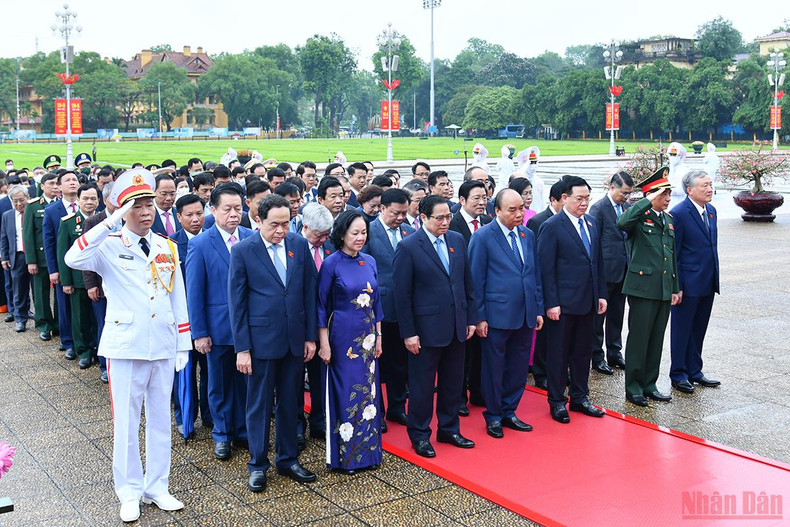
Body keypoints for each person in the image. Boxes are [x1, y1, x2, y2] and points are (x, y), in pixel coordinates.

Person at [64, 168, 191, 523]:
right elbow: (73, 259)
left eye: (149, 203)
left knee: (161, 419)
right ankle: (129, 490)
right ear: (122, 211)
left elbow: (177, 295)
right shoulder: (108, 245)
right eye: (137, 205)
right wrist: (109, 223)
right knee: (127, 422)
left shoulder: (167, 246)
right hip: (125, 345)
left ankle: (158, 486)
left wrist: (183, 343)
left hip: (163, 342)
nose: (147, 211)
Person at [229, 194, 318, 493]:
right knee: (259, 405)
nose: (281, 231)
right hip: (260, 342)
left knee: (291, 403)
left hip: (294, 340)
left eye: (285, 223)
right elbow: (237, 303)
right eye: (274, 225)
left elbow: (307, 293)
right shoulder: (243, 250)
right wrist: (242, 348)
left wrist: (309, 337)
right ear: (258, 221)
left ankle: (288, 458)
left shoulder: (298, 245)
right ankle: (257, 464)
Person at [393, 195, 476, 458]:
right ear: (423, 218)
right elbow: (402, 295)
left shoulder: (456, 240)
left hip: (456, 325)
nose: (444, 222)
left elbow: (466, 283)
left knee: (453, 382)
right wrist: (409, 333)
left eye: (447, 217)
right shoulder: (409, 247)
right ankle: (419, 434)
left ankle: (449, 428)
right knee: (422, 386)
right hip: (425, 330)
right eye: (439, 218)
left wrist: (470, 318)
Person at [186, 183, 253, 461]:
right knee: (220, 383)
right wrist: (199, 332)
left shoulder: (252, 237)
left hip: (250, 328)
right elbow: (194, 291)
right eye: (227, 209)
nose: (234, 214)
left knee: (248, 384)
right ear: (213, 210)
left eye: (239, 208)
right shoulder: (200, 244)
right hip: (218, 328)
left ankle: (245, 430)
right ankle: (223, 433)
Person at [469, 189, 543, 438]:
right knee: (494, 367)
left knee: (518, 366)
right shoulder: (483, 237)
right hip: (496, 314)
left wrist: (538, 308)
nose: (519, 214)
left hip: (525, 314)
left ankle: (510, 410)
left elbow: (534, 274)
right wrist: (479, 317)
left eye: (521, 208)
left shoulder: (527, 234)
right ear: (496, 211)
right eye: (512, 210)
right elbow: (475, 279)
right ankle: (493, 415)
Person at [316, 210, 384, 474]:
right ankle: (347, 456)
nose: (359, 237)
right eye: (354, 233)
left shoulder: (370, 261)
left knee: (369, 393)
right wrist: (324, 343)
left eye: (363, 232)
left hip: (368, 337)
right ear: (341, 234)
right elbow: (321, 306)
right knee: (346, 393)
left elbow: (378, 303)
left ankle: (369, 452)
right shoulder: (331, 263)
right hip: (342, 336)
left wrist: (379, 336)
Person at [537, 175, 607, 424]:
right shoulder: (552, 226)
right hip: (563, 304)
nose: (584, 203)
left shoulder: (591, 223)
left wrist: (601, 294)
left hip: (588, 301)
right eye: (579, 198)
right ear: (565, 198)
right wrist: (551, 302)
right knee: (558, 353)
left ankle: (580, 396)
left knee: (582, 352)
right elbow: (546, 269)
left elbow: (597, 262)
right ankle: (557, 400)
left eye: (588, 198)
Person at [617, 168, 680, 406]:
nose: (668, 199)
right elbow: (622, 222)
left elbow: (671, 256)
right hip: (642, 288)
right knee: (639, 339)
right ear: (652, 196)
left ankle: (649, 384)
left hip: (663, 288)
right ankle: (633, 387)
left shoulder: (668, 220)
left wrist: (675, 286)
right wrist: (646, 201)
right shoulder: (639, 217)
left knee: (655, 339)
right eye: (664, 195)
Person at [361, 189, 415, 428]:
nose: (401, 217)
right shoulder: (368, 232)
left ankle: (396, 407)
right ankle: (377, 412)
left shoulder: (410, 232)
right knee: (375, 364)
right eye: (396, 213)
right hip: (376, 307)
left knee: (399, 362)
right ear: (382, 208)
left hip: (404, 308)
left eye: (404, 213)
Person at [669, 170, 721, 393]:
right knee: (682, 330)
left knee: (699, 328)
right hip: (687, 284)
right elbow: (674, 253)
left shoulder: (711, 211)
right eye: (704, 186)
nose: (709, 189)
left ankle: (694, 370)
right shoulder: (678, 213)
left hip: (707, 281)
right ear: (689, 190)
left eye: (710, 185)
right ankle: (678, 373)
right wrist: (676, 286)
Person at [171, 194, 212, 433]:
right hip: (182, 319)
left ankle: (209, 414)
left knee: (209, 371)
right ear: (179, 217)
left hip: (208, 318)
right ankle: (184, 416)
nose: (195, 219)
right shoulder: (170, 244)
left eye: (199, 213)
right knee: (183, 371)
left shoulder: (211, 240)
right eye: (189, 215)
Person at [449, 180, 491, 414]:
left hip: (483, 296)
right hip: (460, 296)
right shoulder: (452, 225)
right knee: (461, 351)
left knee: (480, 350)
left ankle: (478, 391)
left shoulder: (488, 223)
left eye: (484, 197)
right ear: (462, 200)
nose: (481, 202)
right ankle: (458, 398)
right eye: (476, 198)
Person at [588, 171, 633, 375]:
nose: (626, 197)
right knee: (599, 317)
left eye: (629, 194)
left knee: (617, 314)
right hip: (605, 272)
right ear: (612, 188)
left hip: (623, 270)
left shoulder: (627, 207)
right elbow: (593, 241)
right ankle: (597, 356)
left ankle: (615, 353)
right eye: (623, 193)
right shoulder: (599, 208)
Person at [297, 203, 335, 446]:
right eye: (318, 234)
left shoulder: (330, 247)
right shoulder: (293, 246)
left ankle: (320, 421)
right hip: (299, 323)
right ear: (305, 226)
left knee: (321, 376)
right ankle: (297, 425)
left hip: (326, 322)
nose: (323, 239)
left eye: (326, 234)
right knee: (295, 379)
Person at [526, 179, 567, 390]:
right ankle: (541, 372)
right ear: (555, 200)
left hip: (565, 287)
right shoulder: (540, 221)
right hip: (544, 283)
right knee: (544, 335)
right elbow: (537, 258)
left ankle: (558, 370)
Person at [57, 183, 100, 369]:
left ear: (99, 201)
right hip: (77, 279)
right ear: (78, 200)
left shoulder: (104, 221)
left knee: (98, 317)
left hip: (100, 278)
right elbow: (62, 254)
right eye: (85, 198)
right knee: (80, 317)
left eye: (93, 198)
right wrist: (66, 281)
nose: (89, 202)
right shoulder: (68, 223)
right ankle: (83, 351)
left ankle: (98, 350)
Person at [81, 182, 116, 383]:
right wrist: (91, 284)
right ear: (104, 200)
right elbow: (87, 255)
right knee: (104, 324)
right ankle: (105, 365)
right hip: (101, 285)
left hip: (123, 284)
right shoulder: (94, 221)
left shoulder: (130, 218)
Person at [43, 169, 80, 359]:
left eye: (75, 179)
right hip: (63, 266)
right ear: (59, 187)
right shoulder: (51, 211)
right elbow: (48, 243)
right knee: (64, 306)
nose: (73, 182)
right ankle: (68, 342)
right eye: (68, 180)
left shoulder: (87, 206)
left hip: (83, 266)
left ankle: (85, 341)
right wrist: (53, 270)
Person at [23, 173, 59, 341]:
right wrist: (31, 260)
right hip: (40, 256)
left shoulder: (62, 205)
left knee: (60, 293)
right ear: (42, 186)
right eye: (51, 183)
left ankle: (59, 324)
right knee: (41, 292)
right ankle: (44, 324)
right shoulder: (33, 206)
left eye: (57, 183)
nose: (55, 186)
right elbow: (28, 235)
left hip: (58, 257)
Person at [0, 186, 32, 332]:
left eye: (21, 200)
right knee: (18, 289)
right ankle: (20, 318)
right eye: (15, 201)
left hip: (34, 256)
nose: (19, 204)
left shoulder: (33, 212)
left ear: (27, 198)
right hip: (17, 256)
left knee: (36, 289)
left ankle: (36, 314)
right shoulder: (7, 215)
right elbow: (4, 238)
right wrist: (4, 257)